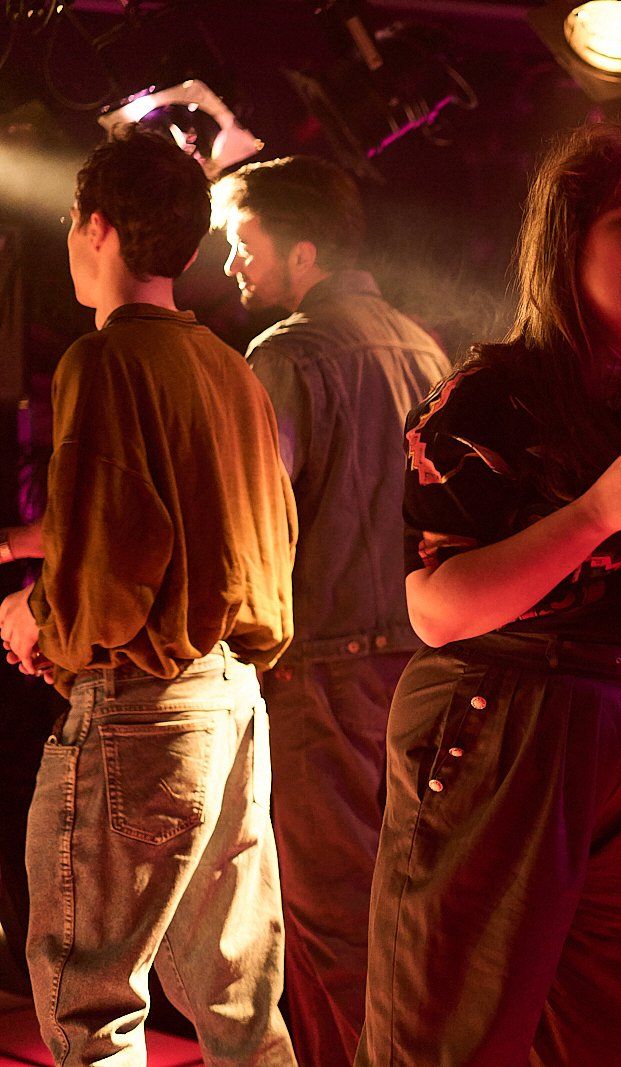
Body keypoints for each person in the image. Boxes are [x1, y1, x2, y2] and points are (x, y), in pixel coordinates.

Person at [355, 123, 621, 1066]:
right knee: (450, 1033)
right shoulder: (487, 396)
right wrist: (594, 514)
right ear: (568, 241)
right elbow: (437, 609)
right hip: (515, 713)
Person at [0, 126, 297, 1064]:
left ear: (96, 226)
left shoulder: (105, 359)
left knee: (91, 1008)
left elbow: (109, 567)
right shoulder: (231, 368)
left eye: (72, 224)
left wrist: (37, 619)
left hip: (142, 707)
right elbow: (262, 542)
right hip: (234, 702)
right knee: (243, 1011)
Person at [211, 155, 452, 1066]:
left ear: (302, 250)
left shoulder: (285, 354)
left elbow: (249, 518)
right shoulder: (423, 348)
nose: (233, 264)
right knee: (400, 916)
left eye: (244, 243)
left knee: (329, 925)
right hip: (422, 667)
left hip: (323, 676)